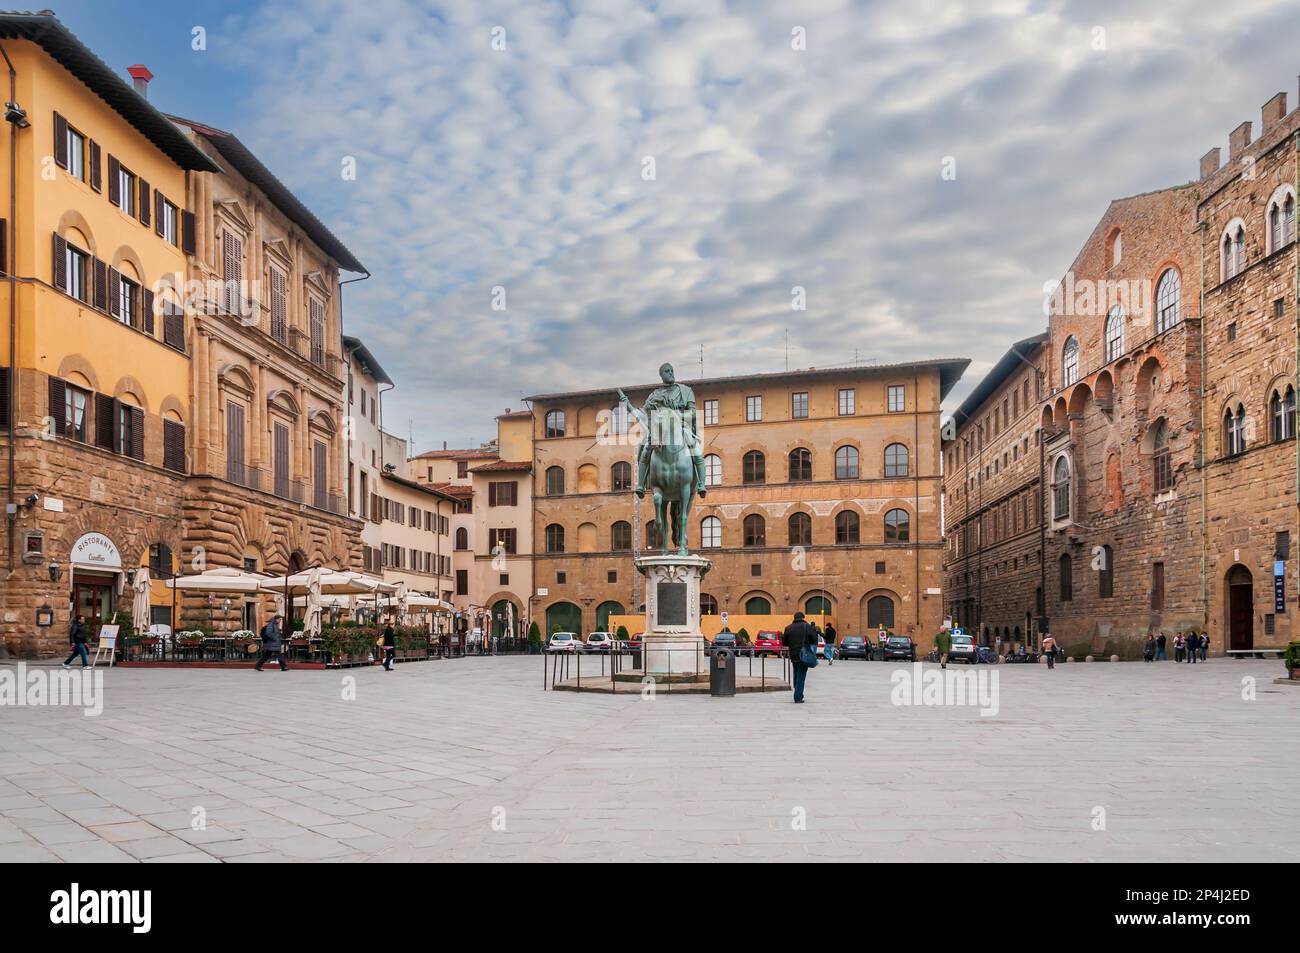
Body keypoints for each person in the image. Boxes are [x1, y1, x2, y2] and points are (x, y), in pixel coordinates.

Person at [781, 611, 818, 704]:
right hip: (803, 654)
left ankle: (797, 689)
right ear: (802, 617)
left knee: (796, 673)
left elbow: (784, 642)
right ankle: (798, 696)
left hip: (793, 654)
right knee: (801, 675)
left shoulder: (788, 627)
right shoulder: (806, 626)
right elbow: (814, 639)